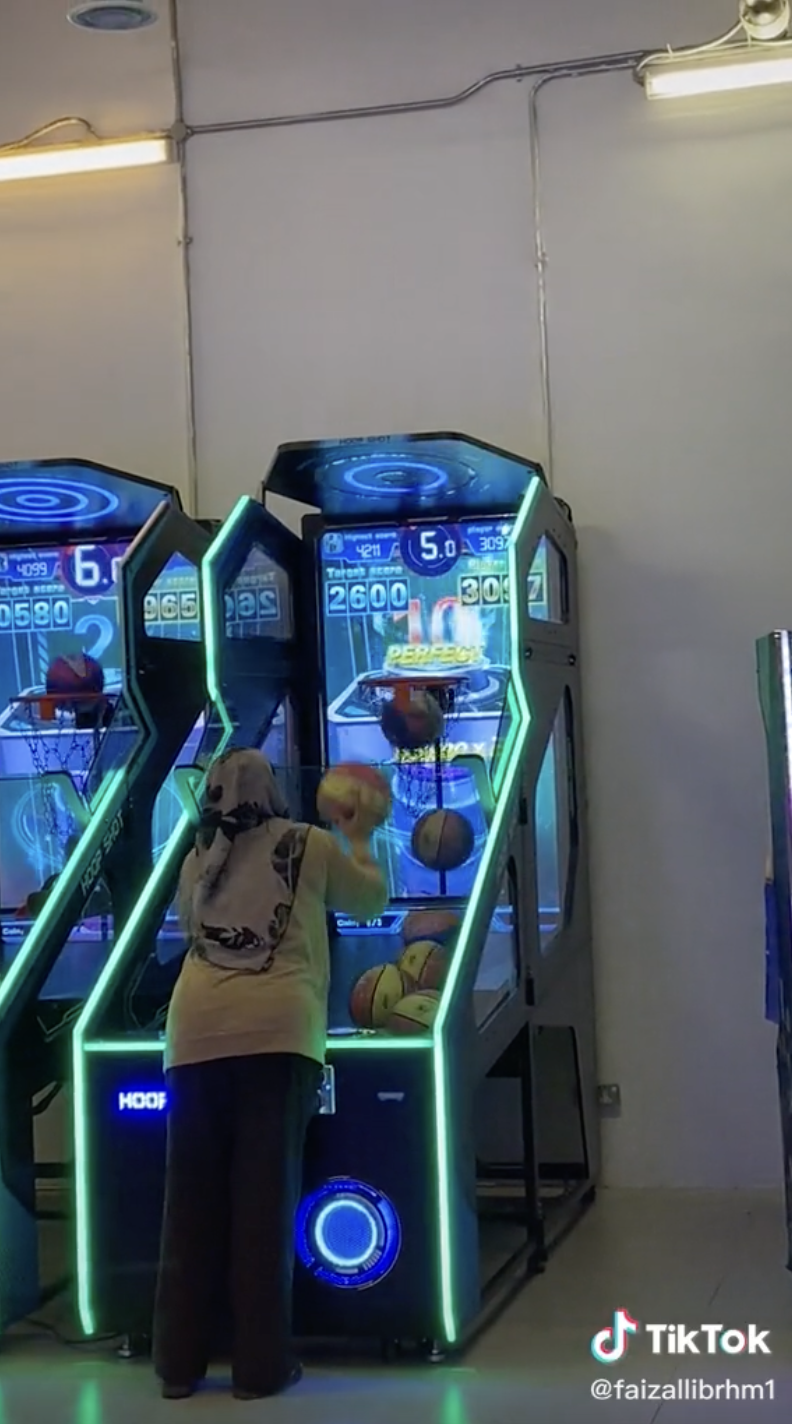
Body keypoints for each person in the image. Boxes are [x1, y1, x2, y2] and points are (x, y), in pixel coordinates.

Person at [153, 748, 387, 1400]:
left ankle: (177, 1368)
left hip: (192, 1039)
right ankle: (259, 1370)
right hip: (275, 1038)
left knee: (189, 1210)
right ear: (272, 790)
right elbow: (370, 901)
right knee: (262, 1209)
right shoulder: (307, 843)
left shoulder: (197, 857)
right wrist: (360, 836)